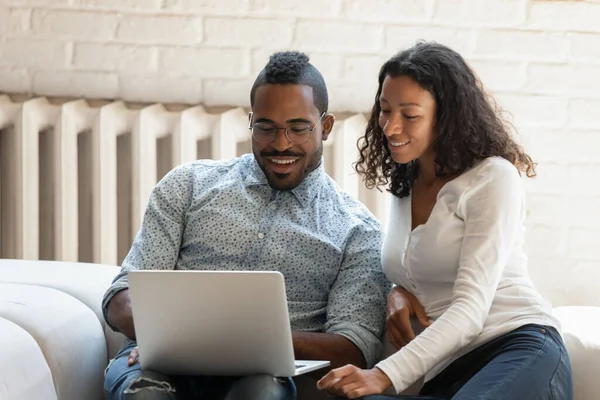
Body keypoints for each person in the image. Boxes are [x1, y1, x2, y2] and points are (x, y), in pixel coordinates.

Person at [101, 50, 390, 400]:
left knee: (260, 393)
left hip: (267, 378)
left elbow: (354, 348)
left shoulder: (357, 231)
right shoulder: (188, 186)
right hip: (159, 367)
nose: (281, 144)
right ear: (251, 122)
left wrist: (241, 341)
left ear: (325, 127)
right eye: (266, 128)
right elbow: (120, 297)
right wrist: (174, 338)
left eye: (298, 128)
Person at [316, 41, 573, 399]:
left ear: (446, 116)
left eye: (410, 115)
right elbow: (415, 266)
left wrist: (383, 374)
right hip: (450, 370)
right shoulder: (406, 181)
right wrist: (398, 292)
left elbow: (469, 309)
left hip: (516, 347)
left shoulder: (492, 178)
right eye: (385, 110)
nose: (390, 127)